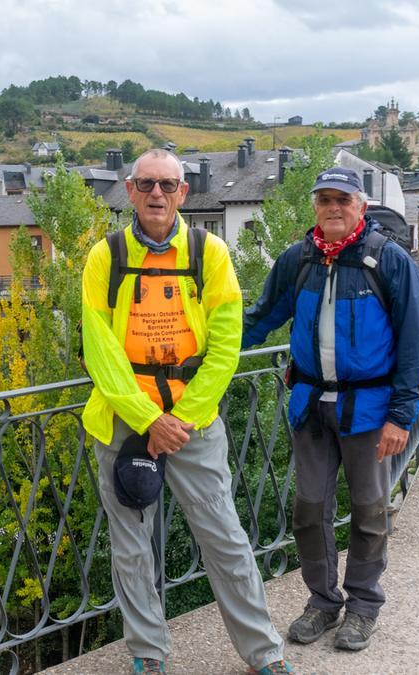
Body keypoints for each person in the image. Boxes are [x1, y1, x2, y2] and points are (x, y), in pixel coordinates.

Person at [82, 148, 290, 675]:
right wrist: (149, 419)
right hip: (125, 423)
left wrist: (182, 418)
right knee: (131, 548)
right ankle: (149, 654)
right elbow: (99, 349)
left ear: (183, 192)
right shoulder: (104, 257)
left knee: (224, 537)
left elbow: (226, 345)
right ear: (130, 190)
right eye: (147, 184)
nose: (157, 195)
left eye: (168, 185)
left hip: (191, 424)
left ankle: (263, 653)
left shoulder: (210, 252)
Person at [242, 167, 419, 651]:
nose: (333, 207)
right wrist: (197, 352)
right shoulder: (298, 260)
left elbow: (417, 345)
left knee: (369, 510)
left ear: (360, 207)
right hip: (310, 404)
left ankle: (363, 606)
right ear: (315, 206)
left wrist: (400, 416)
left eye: (342, 199)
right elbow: (259, 319)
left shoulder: (387, 262)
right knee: (309, 509)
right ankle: (323, 602)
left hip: (370, 410)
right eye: (324, 199)